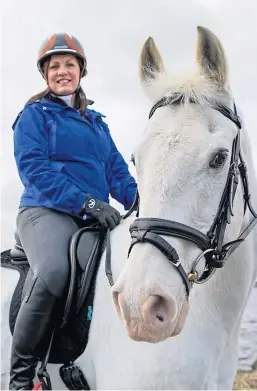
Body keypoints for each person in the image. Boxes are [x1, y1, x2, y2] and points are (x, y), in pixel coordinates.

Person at [9, 32, 137, 389]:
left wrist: (140, 202)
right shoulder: (33, 116)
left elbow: (116, 171)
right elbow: (34, 168)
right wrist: (87, 202)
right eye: (54, 66)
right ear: (45, 74)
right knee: (53, 270)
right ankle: (21, 377)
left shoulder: (97, 123)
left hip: (92, 216)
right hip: (45, 210)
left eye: (69, 64)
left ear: (81, 71)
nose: (62, 71)